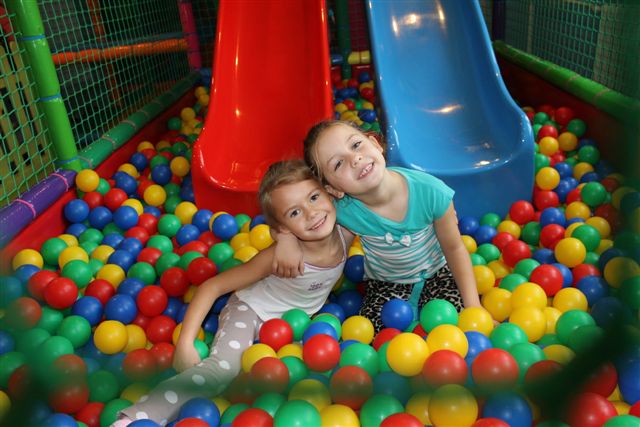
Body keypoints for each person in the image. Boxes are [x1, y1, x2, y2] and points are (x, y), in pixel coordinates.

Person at [112, 160, 353, 426]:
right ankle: (134, 418)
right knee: (222, 371)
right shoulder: (276, 256)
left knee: (309, 372)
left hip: (293, 325)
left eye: (314, 197)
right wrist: (185, 343)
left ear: (330, 191)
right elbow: (212, 286)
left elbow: (373, 201)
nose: (312, 213)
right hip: (251, 310)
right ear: (283, 228)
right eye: (294, 212)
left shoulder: (348, 232)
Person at [273, 120, 482, 333]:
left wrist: (474, 307)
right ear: (333, 190)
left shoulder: (431, 192)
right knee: (373, 336)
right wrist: (286, 239)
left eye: (356, 145)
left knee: (452, 328)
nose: (355, 159)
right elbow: (296, 216)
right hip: (386, 284)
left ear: (375, 144)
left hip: (439, 274)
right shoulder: (342, 209)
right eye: (338, 164)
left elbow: (454, 249)